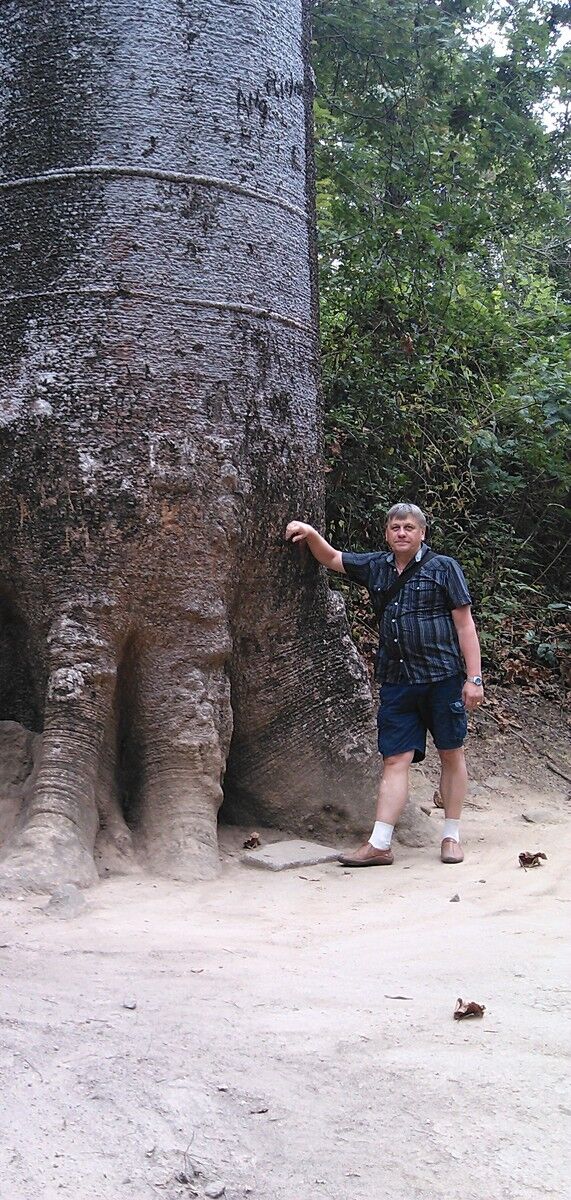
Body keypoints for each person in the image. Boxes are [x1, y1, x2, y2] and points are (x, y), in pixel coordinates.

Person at [285, 503, 484, 866]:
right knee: (395, 758)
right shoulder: (376, 565)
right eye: (395, 527)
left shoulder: (444, 568)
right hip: (397, 680)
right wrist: (311, 533)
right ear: (387, 533)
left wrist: (474, 678)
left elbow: (464, 625)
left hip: (442, 678)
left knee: (451, 752)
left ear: (422, 533)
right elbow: (331, 558)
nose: (402, 533)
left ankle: (451, 836)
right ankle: (379, 843)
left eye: (409, 527)